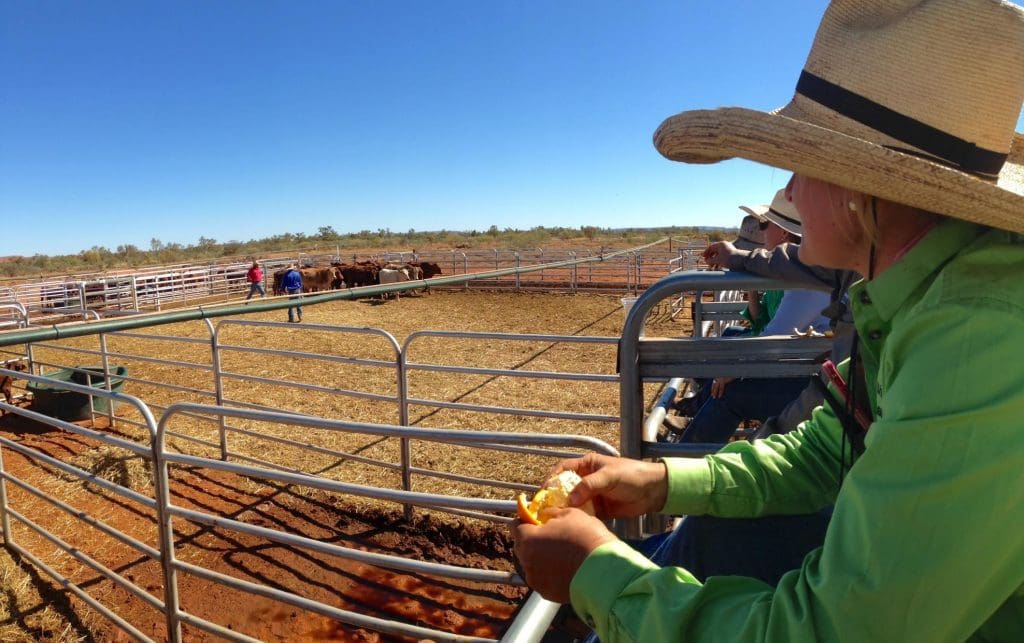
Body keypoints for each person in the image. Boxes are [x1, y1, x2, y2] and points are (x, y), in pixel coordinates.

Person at [512, 2, 1024, 641]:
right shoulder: (933, 295)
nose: (789, 187)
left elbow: (833, 631)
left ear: (857, 190)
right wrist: (663, 479)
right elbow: (831, 446)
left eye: (801, 161)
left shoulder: (980, 335)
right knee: (716, 534)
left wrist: (595, 572)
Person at [670, 190, 830, 444]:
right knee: (727, 364)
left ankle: (681, 459)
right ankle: (691, 431)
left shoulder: (805, 282)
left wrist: (735, 370)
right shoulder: (809, 270)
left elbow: (774, 337)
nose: (762, 230)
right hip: (805, 368)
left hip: (810, 382)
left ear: (784, 233)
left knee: (731, 393)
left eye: (766, 224)